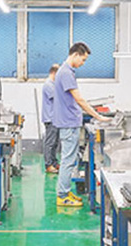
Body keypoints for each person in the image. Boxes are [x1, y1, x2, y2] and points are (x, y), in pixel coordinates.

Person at [53, 42, 111, 207]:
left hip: (69, 122)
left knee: (69, 160)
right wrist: (98, 116)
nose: (83, 63)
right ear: (75, 55)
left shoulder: (66, 71)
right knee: (68, 161)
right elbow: (79, 99)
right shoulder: (66, 73)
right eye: (83, 59)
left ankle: (65, 191)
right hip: (68, 123)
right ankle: (63, 195)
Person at [42, 64, 60, 174]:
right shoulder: (48, 84)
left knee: (55, 142)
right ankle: (48, 164)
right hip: (50, 118)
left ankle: (54, 162)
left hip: (55, 118)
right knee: (50, 143)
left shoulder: (53, 84)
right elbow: (58, 98)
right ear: (54, 73)